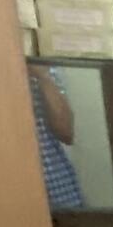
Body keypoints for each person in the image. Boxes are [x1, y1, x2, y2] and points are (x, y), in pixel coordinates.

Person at [27, 63, 85, 210]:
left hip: (59, 189)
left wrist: (43, 77)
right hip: (13, 194)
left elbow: (66, 133)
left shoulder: (45, 67)